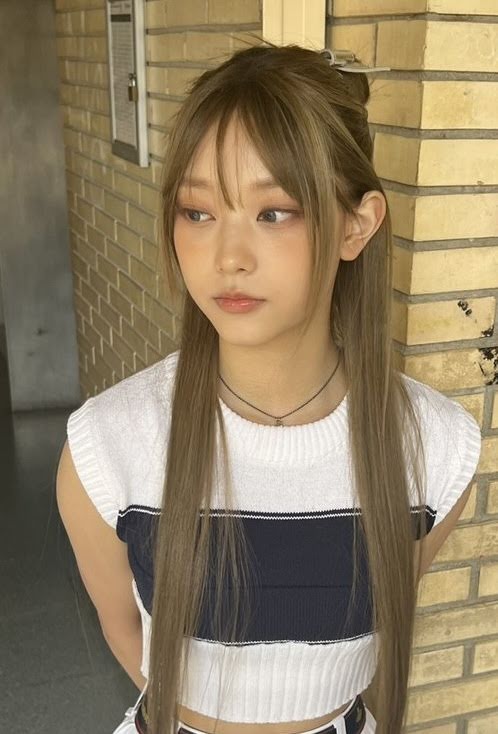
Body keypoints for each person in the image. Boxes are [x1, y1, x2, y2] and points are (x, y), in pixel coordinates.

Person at [56, 38, 482, 734]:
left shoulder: (436, 449)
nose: (227, 257)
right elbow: (126, 632)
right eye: (198, 213)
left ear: (356, 226)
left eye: (273, 212)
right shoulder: (107, 446)